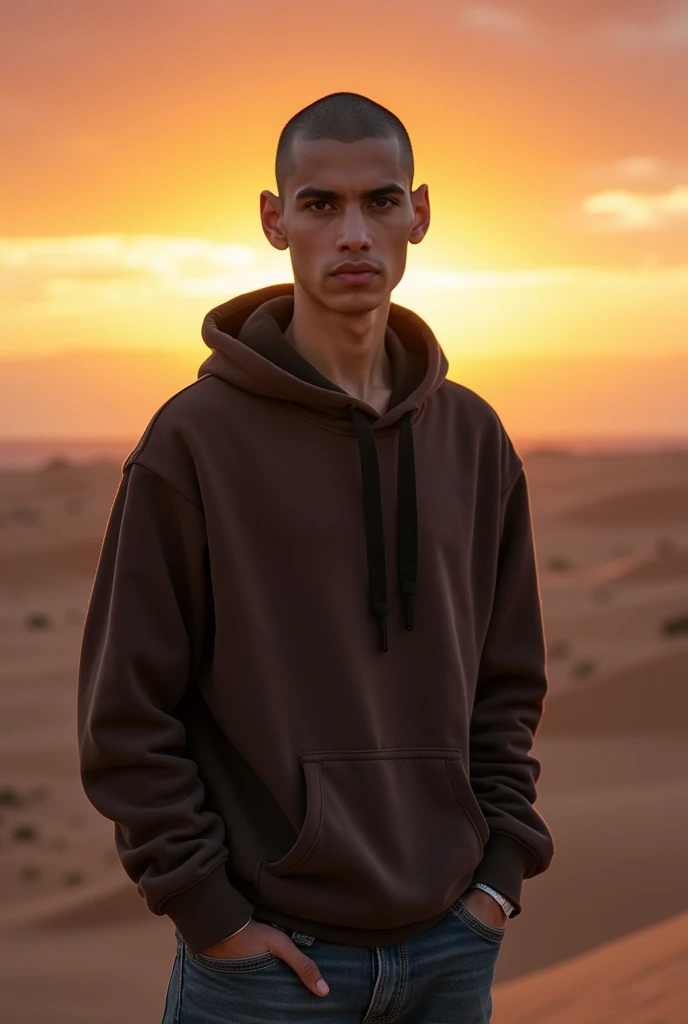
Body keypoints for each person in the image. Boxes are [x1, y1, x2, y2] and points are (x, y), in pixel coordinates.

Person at [77, 90, 555, 1024]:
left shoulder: (474, 438)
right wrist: (210, 914)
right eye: (320, 204)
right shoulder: (194, 442)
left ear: (420, 213)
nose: (353, 234)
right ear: (274, 218)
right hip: (265, 968)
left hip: (452, 952)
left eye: (380, 202)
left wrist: (497, 880)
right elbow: (126, 713)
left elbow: (508, 683)